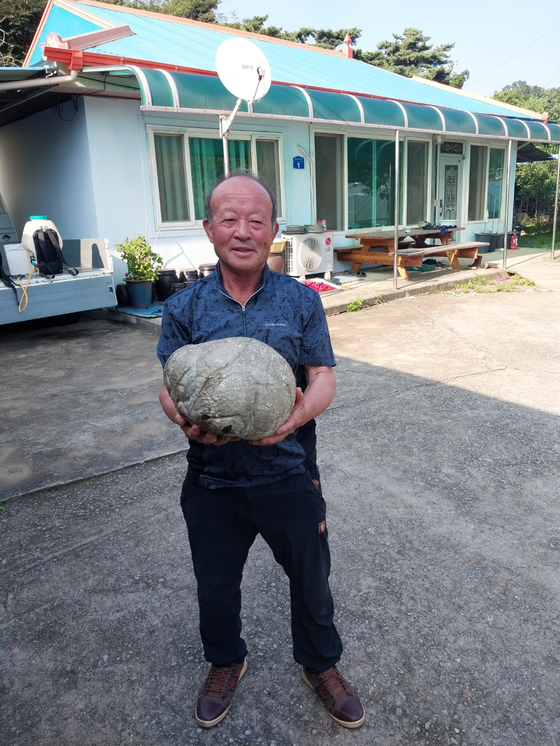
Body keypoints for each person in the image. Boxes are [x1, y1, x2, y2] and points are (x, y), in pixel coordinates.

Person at [157, 171, 364, 730]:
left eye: (256, 220)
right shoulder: (184, 308)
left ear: (274, 229)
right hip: (212, 480)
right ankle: (226, 661)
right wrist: (183, 420)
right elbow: (169, 384)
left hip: (288, 473)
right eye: (229, 219)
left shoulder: (301, 300)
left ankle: (320, 665)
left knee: (311, 578)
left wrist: (296, 416)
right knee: (215, 582)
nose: (243, 231)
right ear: (209, 229)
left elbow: (322, 375)